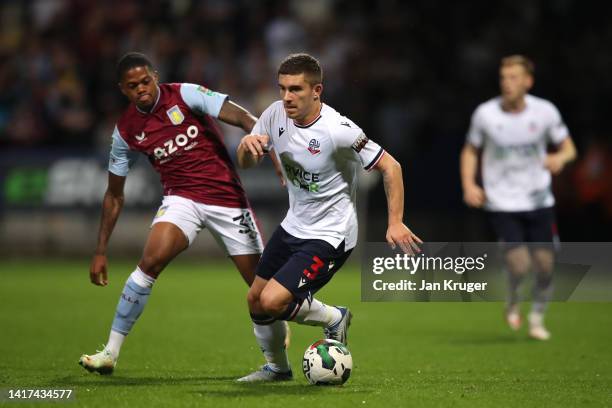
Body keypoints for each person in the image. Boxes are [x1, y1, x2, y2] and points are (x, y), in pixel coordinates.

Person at [79, 52, 291, 374]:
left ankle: (282, 363)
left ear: (155, 75)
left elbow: (246, 119)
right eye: (132, 86)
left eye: (145, 81)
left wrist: (273, 153)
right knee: (149, 263)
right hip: (182, 200)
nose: (141, 89)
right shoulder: (125, 131)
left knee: (263, 293)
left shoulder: (185, 94)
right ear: (123, 89)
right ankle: (110, 352)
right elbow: (114, 194)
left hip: (227, 200)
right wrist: (100, 250)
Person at [235, 53, 422, 382]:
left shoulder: (339, 129)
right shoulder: (273, 114)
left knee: (273, 301)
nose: (287, 97)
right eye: (282, 89)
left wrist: (395, 221)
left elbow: (391, 166)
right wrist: (246, 146)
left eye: (296, 90)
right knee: (255, 300)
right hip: (294, 225)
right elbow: (246, 162)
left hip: (331, 236)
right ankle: (277, 369)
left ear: (317, 90)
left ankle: (334, 317)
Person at [460, 55, 577, 340]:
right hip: (502, 202)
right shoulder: (486, 114)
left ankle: (537, 317)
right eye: (503, 77)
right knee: (519, 264)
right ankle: (513, 299)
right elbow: (470, 150)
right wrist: (469, 185)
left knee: (546, 266)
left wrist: (560, 158)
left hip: (539, 200)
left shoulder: (545, 112)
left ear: (528, 81)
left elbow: (569, 149)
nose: (507, 83)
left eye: (514, 77)